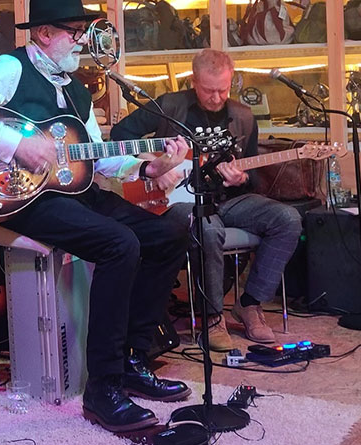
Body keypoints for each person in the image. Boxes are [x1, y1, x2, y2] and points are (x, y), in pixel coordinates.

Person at [0, 0, 192, 434]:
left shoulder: (77, 90)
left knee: (169, 234)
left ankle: (133, 356)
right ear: (45, 33)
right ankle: (103, 389)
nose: (81, 41)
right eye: (74, 32)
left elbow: (99, 157)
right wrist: (17, 144)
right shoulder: (10, 67)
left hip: (75, 192)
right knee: (120, 244)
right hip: (22, 198)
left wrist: (150, 164)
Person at [111, 48, 302, 350]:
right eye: (208, 90)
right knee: (208, 226)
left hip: (227, 199)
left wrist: (242, 177)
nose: (216, 97)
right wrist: (152, 167)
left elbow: (252, 176)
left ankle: (250, 303)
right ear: (193, 82)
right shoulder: (169, 106)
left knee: (287, 219)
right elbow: (118, 135)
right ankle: (212, 318)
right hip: (174, 202)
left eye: (223, 90)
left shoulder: (242, 116)